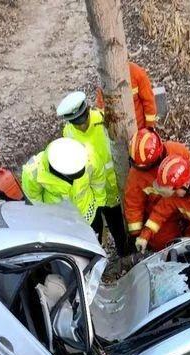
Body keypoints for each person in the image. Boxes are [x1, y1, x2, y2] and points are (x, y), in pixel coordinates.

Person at [57, 90, 127, 255]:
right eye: (77, 123)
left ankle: (124, 254)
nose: (82, 125)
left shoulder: (103, 120)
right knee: (94, 231)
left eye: (83, 119)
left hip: (112, 188)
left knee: (118, 228)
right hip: (90, 194)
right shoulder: (68, 133)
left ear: (87, 110)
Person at [124, 127, 190, 251]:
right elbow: (133, 204)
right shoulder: (136, 176)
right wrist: (136, 234)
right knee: (163, 244)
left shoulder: (178, 152)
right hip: (159, 212)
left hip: (183, 199)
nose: (143, 170)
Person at [21, 137, 106, 232]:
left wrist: (99, 205)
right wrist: (46, 220)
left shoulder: (89, 156)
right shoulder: (33, 172)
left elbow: (98, 182)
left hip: (88, 214)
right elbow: (34, 199)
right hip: (58, 222)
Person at [96, 61, 158, 129]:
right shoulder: (105, 79)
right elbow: (101, 107)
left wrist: (149, 129)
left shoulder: (136, 72)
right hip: (117, 132)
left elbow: (149, 102)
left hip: (138, 129)